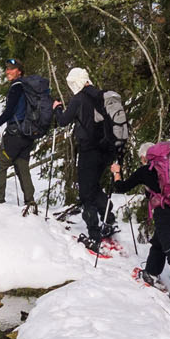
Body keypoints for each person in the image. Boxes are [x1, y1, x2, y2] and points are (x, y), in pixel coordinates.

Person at [109, 141, 170, 298]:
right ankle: (151, 271)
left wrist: (117, 173)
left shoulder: (146, 170)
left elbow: (121, 187)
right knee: (159, 242)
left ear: (145, 157)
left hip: (164, 212)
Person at [53, 66, 120, 253]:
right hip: (105, 151)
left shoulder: (78, 99)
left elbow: (63, 121)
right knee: (94, 185)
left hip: (89, 150)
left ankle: (94, 235)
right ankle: (109, 218)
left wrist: (57, 109)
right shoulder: (102, 97)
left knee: (85, 193)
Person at [0, 58, 39, 208]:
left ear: (19, 71)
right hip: (28, 135)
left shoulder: (16, 87)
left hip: (14, 134)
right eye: (7, 68)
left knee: (1, 165)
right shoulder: (29, 88)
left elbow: (9, 111)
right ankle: (30, 202)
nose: (8, 71)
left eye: (11, 69)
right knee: (22, 166)